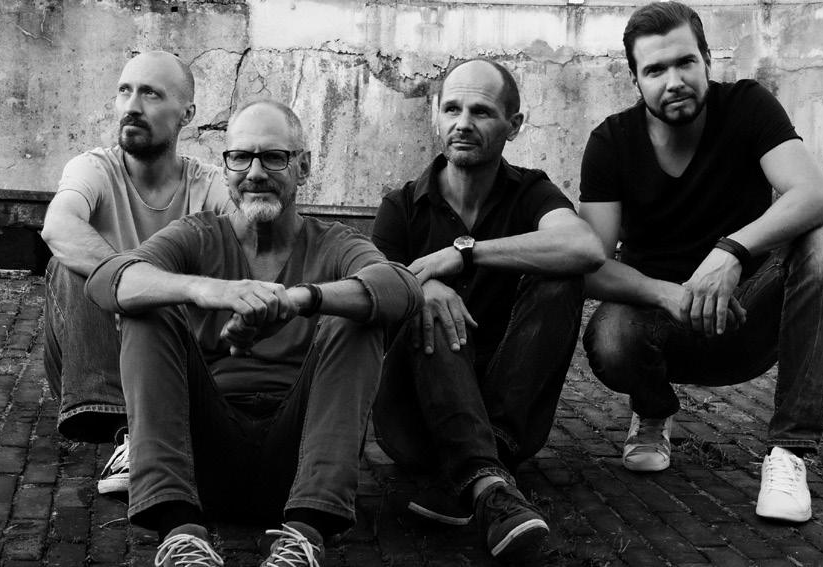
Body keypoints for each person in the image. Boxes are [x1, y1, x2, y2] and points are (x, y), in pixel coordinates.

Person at [84, 100, 422, 567]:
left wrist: (297, 300)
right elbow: (108, 280)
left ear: (304, 166)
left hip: (301, 461)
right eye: (240, 157)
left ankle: (304, 539)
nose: (255, 172)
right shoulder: (197, 235)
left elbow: (402, 287)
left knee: (358, 314)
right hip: (204, 460)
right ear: (225, 169)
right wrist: (210, 290)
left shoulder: (335, 243)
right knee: (148, 309)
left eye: (274, 157)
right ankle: (181, 536)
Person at [578, 1, 823, 524]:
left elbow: (818, 196)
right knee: (610, 337)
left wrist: (731, 251)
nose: (673, 81)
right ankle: (653, 411)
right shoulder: (611, 142)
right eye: (655, 70)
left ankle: (789, 452)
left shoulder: (747, 105)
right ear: (635, 79)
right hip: (661, 326)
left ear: (706, 60)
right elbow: (591, 264)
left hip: (748, 311)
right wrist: (668, 294)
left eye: (685, 62)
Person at [371, 58, 605, 560]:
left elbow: (585, 248)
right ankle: (490, 480)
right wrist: (420, 289)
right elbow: (373, 293)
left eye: (480, 112)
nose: (462, 123)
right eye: (451, 109)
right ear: (435, 116)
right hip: (414, 424)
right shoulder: (401, 207)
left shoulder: (531, 192)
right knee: (425, 302)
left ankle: (480, 476)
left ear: (513, 126)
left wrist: (466, 252)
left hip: (507, 424)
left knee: (561, 277)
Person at [40, 51, 232, 496]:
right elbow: (58, 226)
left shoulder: (209, 185)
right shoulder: (94, 168)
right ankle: (128, 432)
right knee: (65, 266)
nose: (132, 106)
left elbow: (253, 241)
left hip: (172, 360)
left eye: (151, 94)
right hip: (91, 358)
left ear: (187, 114)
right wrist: (133, 283)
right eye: (124, 91)